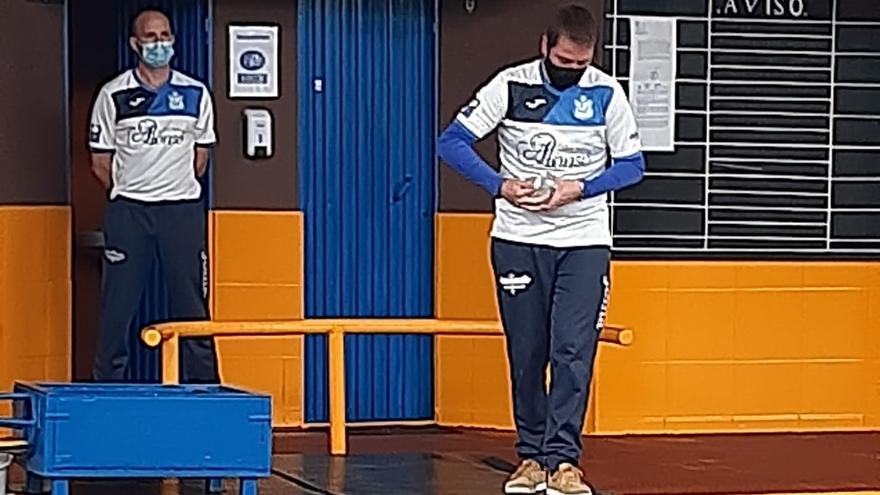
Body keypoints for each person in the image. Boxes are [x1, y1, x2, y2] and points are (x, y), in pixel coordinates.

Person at [437, 4, 645, 494]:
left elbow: (633, 165)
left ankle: (564, 462)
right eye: (564, 62)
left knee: (573, 352)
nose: (572, 72)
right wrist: (499, 185)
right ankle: (530, 458)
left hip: (583, 241)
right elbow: (452, 142)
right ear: (545, 47)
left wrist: (582, 187)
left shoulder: (606, 92)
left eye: (580, 64)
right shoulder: (509, 85)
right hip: (517, 239)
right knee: (527, 352)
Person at [88, 8, 219, 383]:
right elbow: (100, 163)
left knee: (192, 305)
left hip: (181, 212)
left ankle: (205, 391)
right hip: (129, 213)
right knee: (117, 307)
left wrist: (168, 187)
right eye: (150, 37)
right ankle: (107, 391)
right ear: (135, 44)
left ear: (174, 41)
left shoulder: (196, 93)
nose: (158, 43)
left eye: (164, 36)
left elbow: (200, 160)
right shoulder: (113, 95)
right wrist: (134, 189)